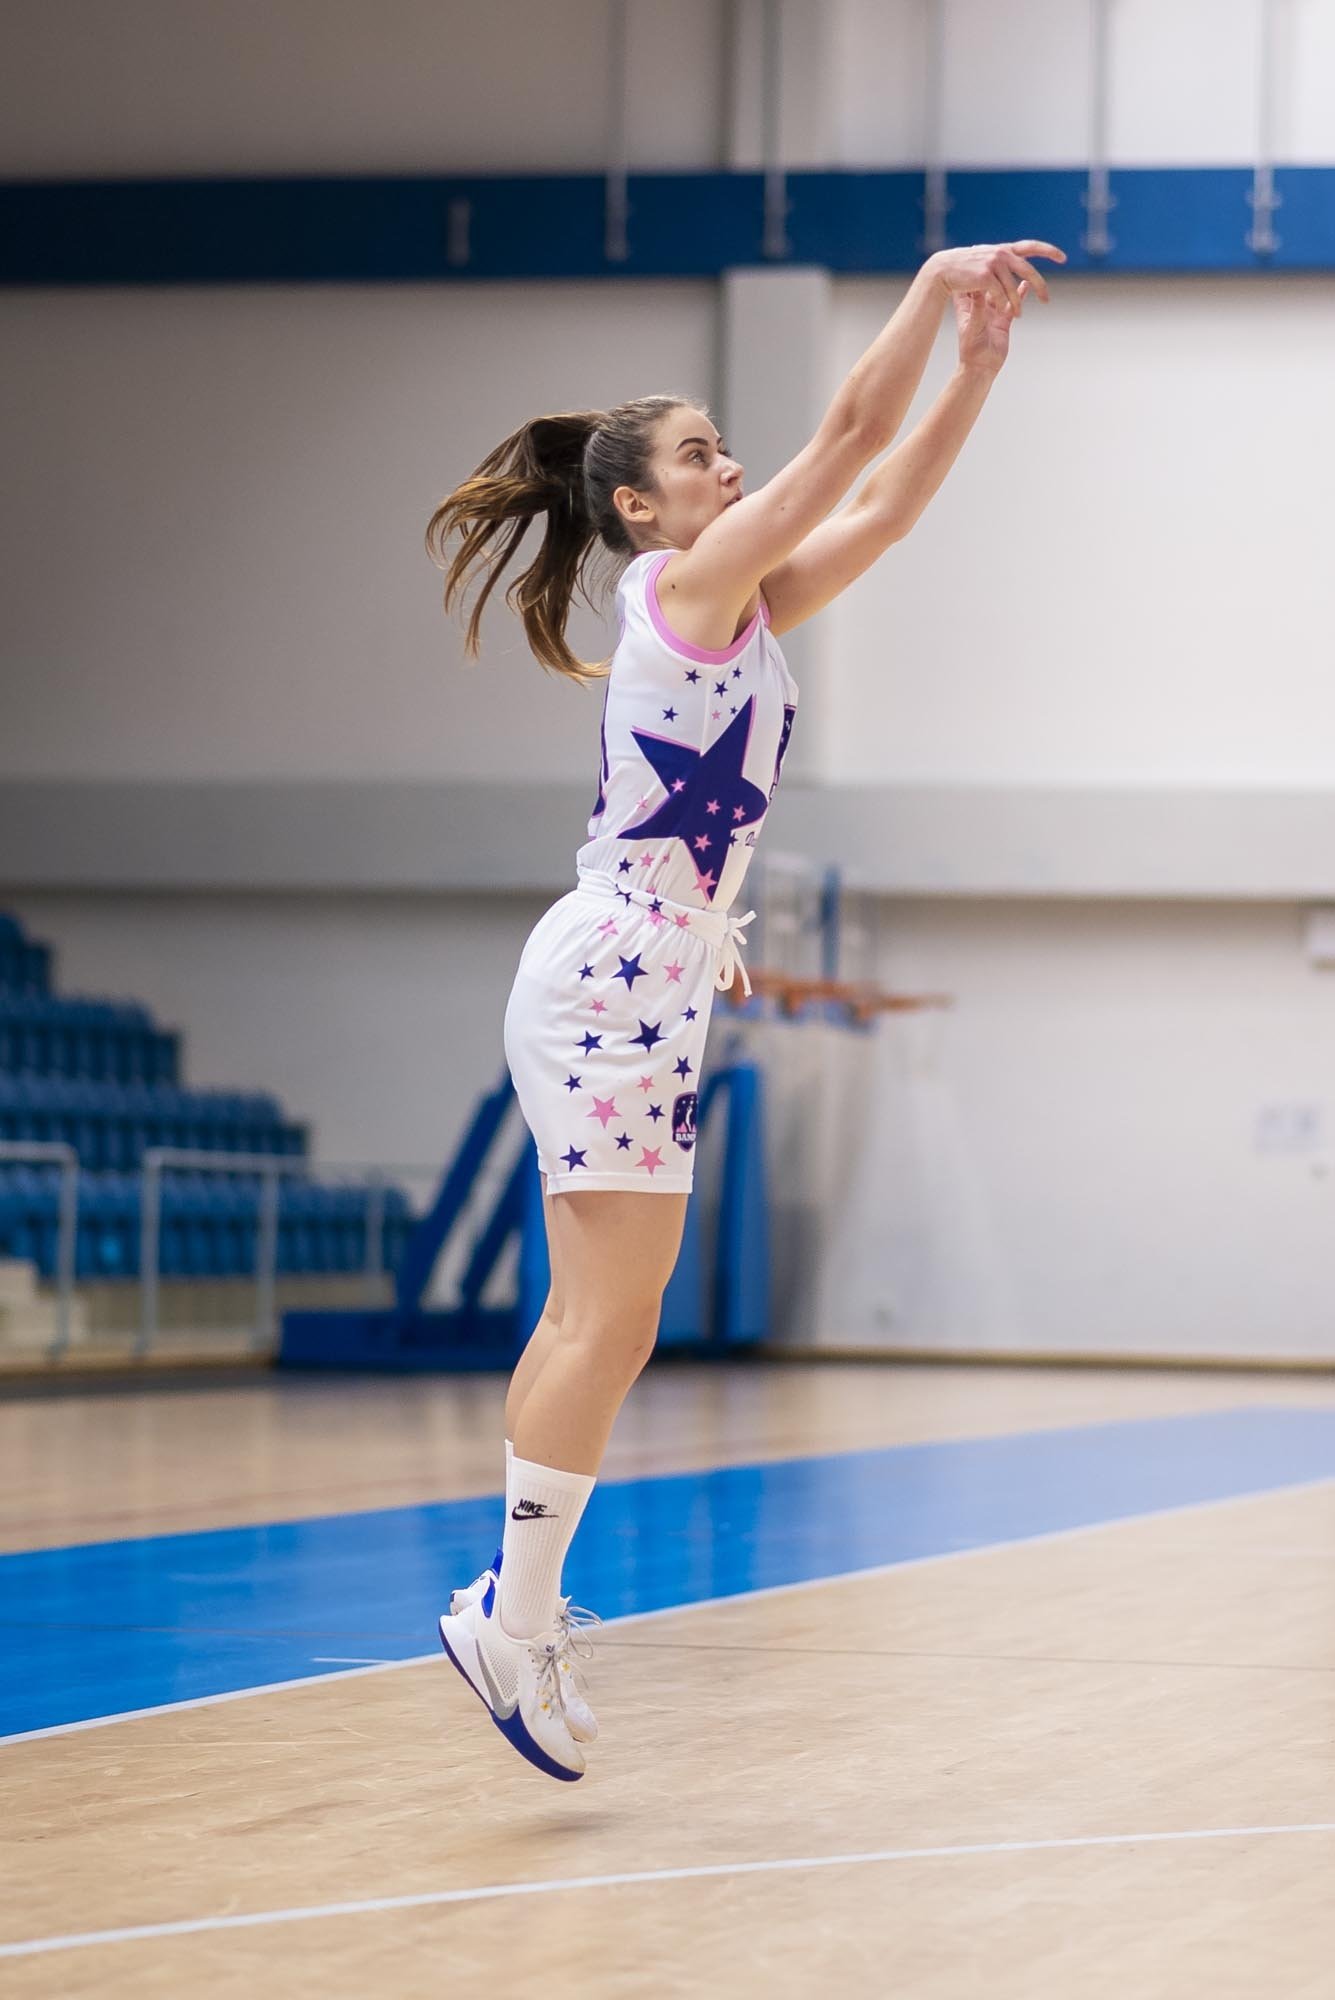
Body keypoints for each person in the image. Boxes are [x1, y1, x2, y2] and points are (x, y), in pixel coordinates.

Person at [425, 237, 1065, 1782]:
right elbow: (846, 437)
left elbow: (886, 503)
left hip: (654, 973)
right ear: (640, 509)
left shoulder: (749, 604)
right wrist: (932, 287)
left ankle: (515, 1608)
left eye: (725, 447)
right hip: (620, 967)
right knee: (605, 1316)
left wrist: (977, 371)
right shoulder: (683, 585)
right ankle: (512, 1617)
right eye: (701, 453)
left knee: (610, 1315)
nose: (730, 465)